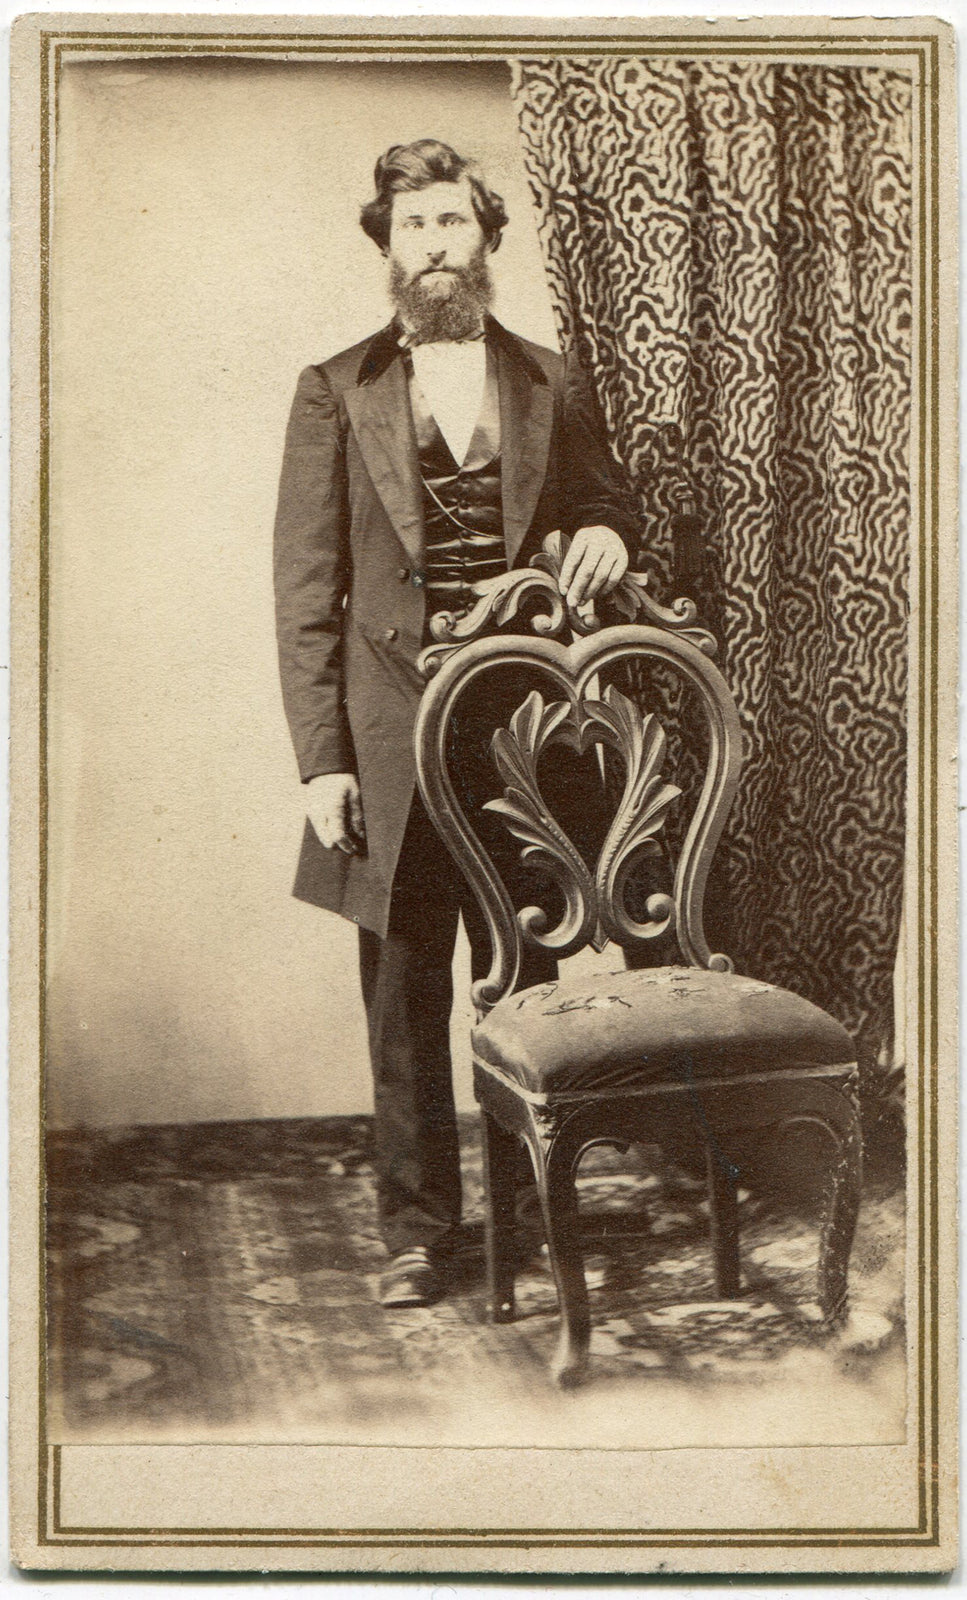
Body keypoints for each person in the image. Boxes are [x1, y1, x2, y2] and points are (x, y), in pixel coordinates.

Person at [273, 139, 638, 1308]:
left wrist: (608, 535)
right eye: (412, 228)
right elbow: (305, 595)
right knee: (403, 991)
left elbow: (597, 501)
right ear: (386, 248)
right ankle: (418, 1232)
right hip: (391, 739)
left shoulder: (546, 377)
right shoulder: (336, 389)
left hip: (523, 726)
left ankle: (530, 1213)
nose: (434, 247)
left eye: (453, 223)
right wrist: (322, 765)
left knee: (527, 980)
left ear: (487, 238)